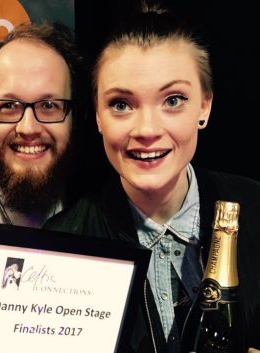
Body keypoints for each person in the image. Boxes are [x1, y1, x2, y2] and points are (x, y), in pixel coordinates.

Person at [45, 5, 260, 353]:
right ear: (98, 115)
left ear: (204, 106)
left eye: (173, 100)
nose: (146, 130)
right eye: (120, 104)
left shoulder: (255, 209)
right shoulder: (61, 245)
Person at [0, 22, 91, 229]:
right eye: (8, 105)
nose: (28, 128)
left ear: (73, 115)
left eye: (48, 105)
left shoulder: (102, 199)